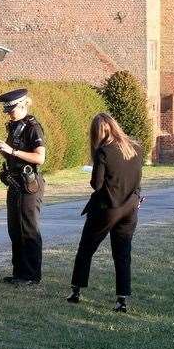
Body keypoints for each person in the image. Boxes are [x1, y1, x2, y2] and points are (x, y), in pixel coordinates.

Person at [67, 113, 145, 313]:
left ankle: (76, 291)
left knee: (86, 249)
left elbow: (97, 184)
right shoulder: (135, 148)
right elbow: (137, 180)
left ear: (98, 132)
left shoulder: (103, 151)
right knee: (122, 254)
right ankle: (122, 299)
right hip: (130, 207)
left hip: (107, 208)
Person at [0, 88, 47, 286]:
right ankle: (20, 274)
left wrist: (11, 150)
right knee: (15, 229)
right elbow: (15, 154)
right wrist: (4, 151)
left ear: (23, 105)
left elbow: (39, 158)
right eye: (6, 110)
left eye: (12, 109)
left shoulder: (33, 127)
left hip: (29, 184)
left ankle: (32, 275)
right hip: (15, 183)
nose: (9, 113)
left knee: (28, 229)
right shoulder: (14, 126)